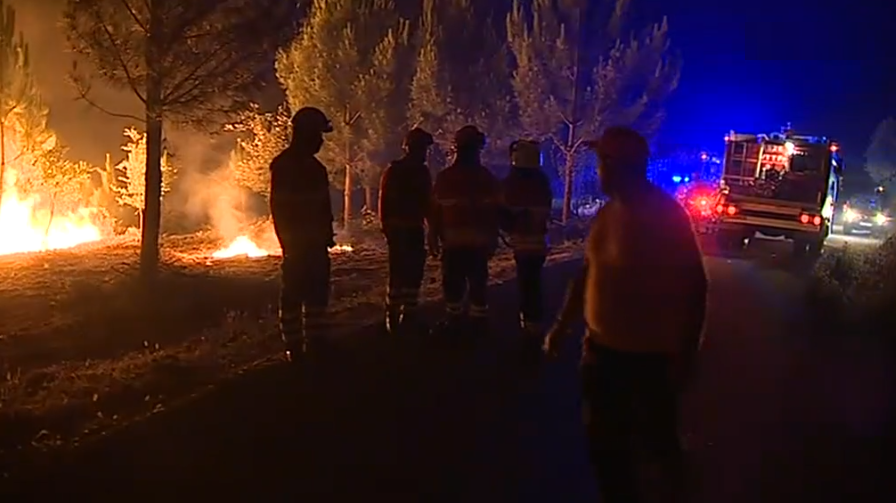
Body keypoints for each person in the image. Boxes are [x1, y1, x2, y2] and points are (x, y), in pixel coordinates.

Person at [544, 126, 708, 503]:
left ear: (621, 165)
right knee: (606, 447)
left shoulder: (666, 216)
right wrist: (562, 326)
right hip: (602, 355)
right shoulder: (607, 214)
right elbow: (588, 272)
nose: (598, 170)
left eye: (602, 161)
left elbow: (695, 285)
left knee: (656, 447)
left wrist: (687, 352)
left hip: (649, 360)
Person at [269, 106, 337, 363]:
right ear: (305, 133)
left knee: (316, 295)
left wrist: (326, 235)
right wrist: (289, 244)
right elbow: (280, 208)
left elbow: (323, 208)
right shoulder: (286, 166)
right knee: (295, 295)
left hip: (312, 244)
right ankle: (296, 347)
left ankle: (314, 343)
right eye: (318, 134)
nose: (320, 141)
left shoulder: (314, 168)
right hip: (299, 245)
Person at [429, 125, 500, 331]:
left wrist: (432, 235)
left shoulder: (445, 178)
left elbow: (435, 212)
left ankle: (455, 323)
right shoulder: (486, 178)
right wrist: (493, 239)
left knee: (454, 284)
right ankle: (477, 323)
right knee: (477, 284)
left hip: (453, 245)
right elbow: (494, 213)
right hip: (477, 245)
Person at [378, 127, 435, 333]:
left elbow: (428, 203)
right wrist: (388, 229)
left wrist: (432, 229)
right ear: (412, 148)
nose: (424, 153)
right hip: (402, 231)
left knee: (412, 273)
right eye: (422, 149)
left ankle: (407, 314)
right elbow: (385, 203)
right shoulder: (398, 171)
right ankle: (394, 315)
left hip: (411, 230)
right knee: (401, 273)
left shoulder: (417, 172)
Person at [500, 139, 553, 335]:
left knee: (527, 285)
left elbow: (505, 216)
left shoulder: (512, 185)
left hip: (522, 245)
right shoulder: (542, 183)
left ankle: (529, 327)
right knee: (534, 283)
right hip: (539, 244)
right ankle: (534, 323)